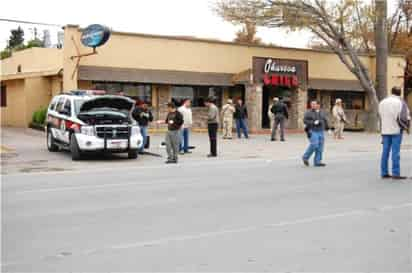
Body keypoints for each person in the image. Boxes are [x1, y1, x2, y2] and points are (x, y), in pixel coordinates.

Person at [378, 87, 411, 180]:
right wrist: (407, 127)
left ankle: (384, 172)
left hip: (385, 130)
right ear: (400, 93)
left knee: (385, 152)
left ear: (391, 92)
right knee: (395, 152)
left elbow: (380, 115)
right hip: (396, 130)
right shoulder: (400, 102)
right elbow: (404, 117)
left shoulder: (382, 102)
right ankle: (396, 173)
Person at [302, 100, 329, 167]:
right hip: (312, 130)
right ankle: (305, 157)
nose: (312, 105)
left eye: (314, 104)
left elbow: (325, 120)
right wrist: (313, 122)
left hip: (321, 131)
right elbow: (305, 121)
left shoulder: (322, 112)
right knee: (314, 144)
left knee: (320, 147)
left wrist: (328, 128)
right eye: (312, 104)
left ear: (318, 105)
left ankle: (317, 162)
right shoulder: (308, 112)